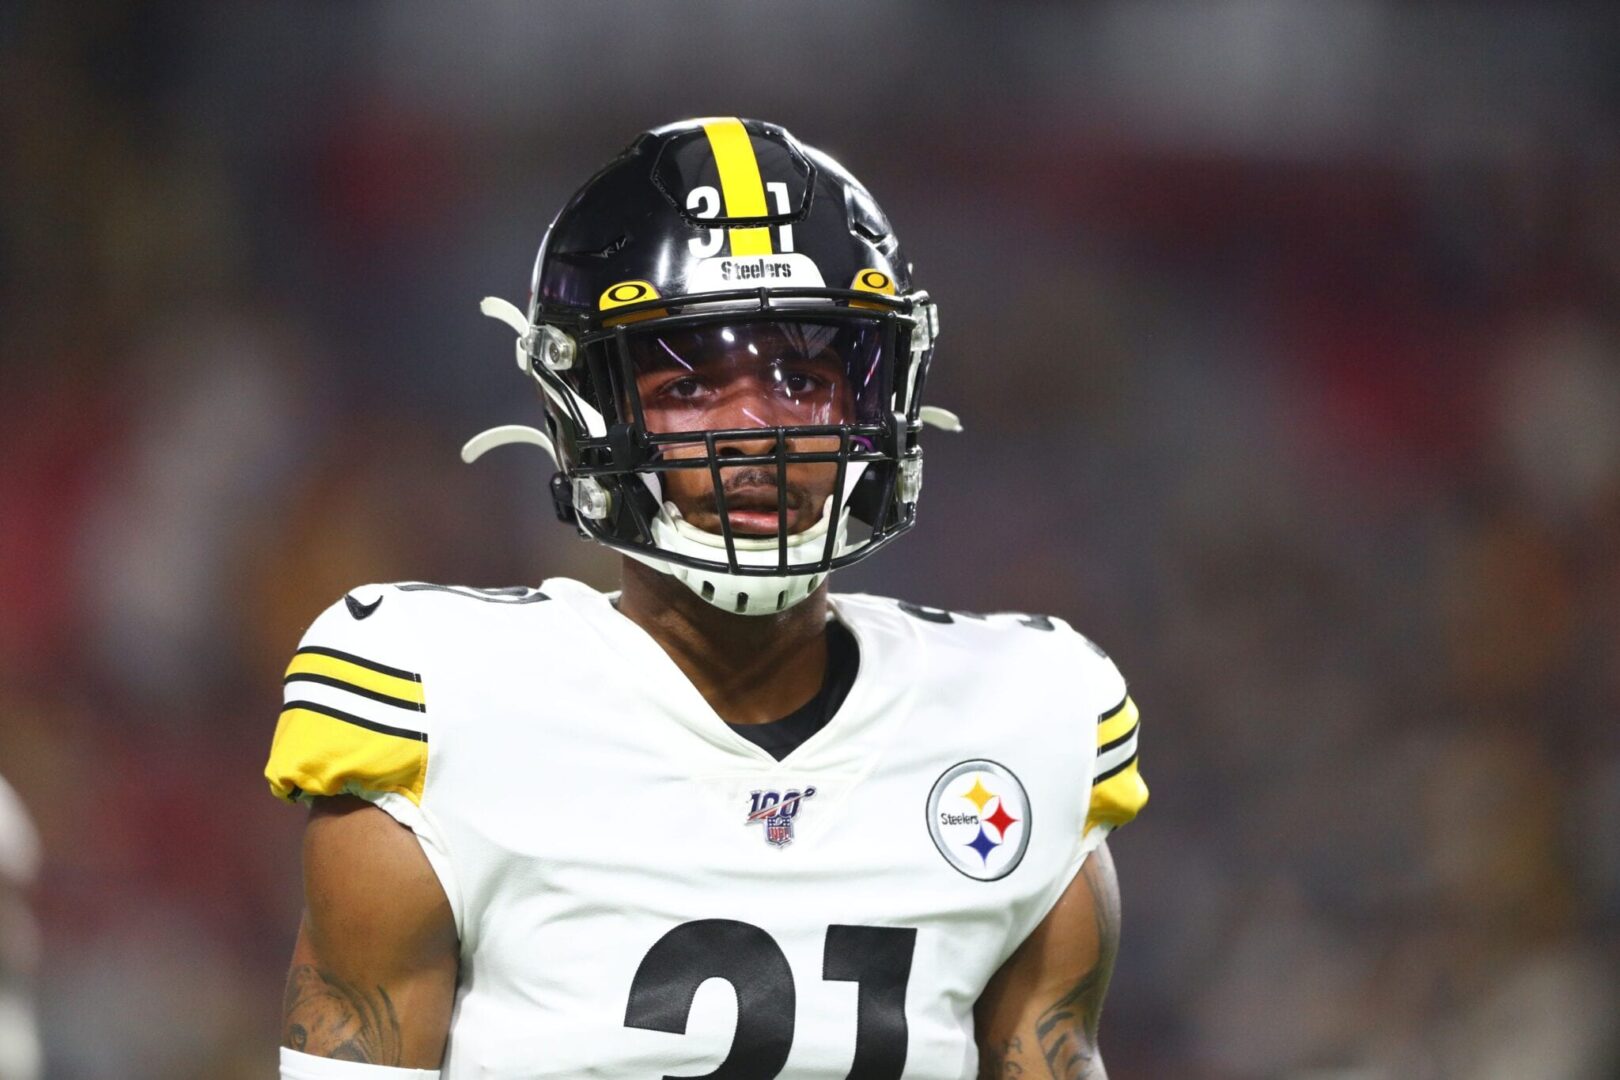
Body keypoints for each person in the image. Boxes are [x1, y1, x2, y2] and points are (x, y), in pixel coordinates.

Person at [265, 116, 1148, 1080]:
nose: (754, 426)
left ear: (876, 398)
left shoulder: (1026, 718)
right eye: (690, 386)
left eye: (801, 378)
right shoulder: (441, 705)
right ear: (587, 402)